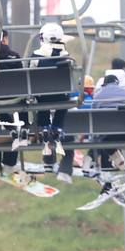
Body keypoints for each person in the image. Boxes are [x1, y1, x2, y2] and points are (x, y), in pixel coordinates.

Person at [29, 23, 74, 182]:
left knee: (41, 101)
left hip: (43, 96)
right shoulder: (67, 57)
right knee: (64, 101)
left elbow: (29, 74)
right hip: (62, 96)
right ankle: (58, 127)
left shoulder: (36, 56)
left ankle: (44, 126)